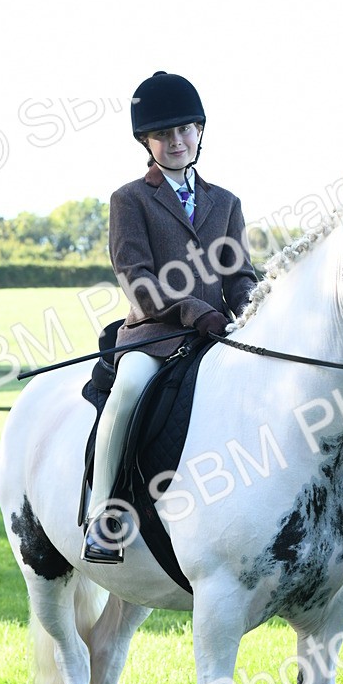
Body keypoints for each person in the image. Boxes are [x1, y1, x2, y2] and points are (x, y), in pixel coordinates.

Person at [82, 71, 257, 563]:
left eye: (185, 130)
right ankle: (103, 517)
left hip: (217, 334)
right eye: (163, 134)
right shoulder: (130, 199)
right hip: (153, 335)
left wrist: (251, 312)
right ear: (147, 141)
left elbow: (239, 273)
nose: (176, 141)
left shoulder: (226, 202)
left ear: (200, 131)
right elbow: (135, 277)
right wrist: (192, 309)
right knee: (127, 394)